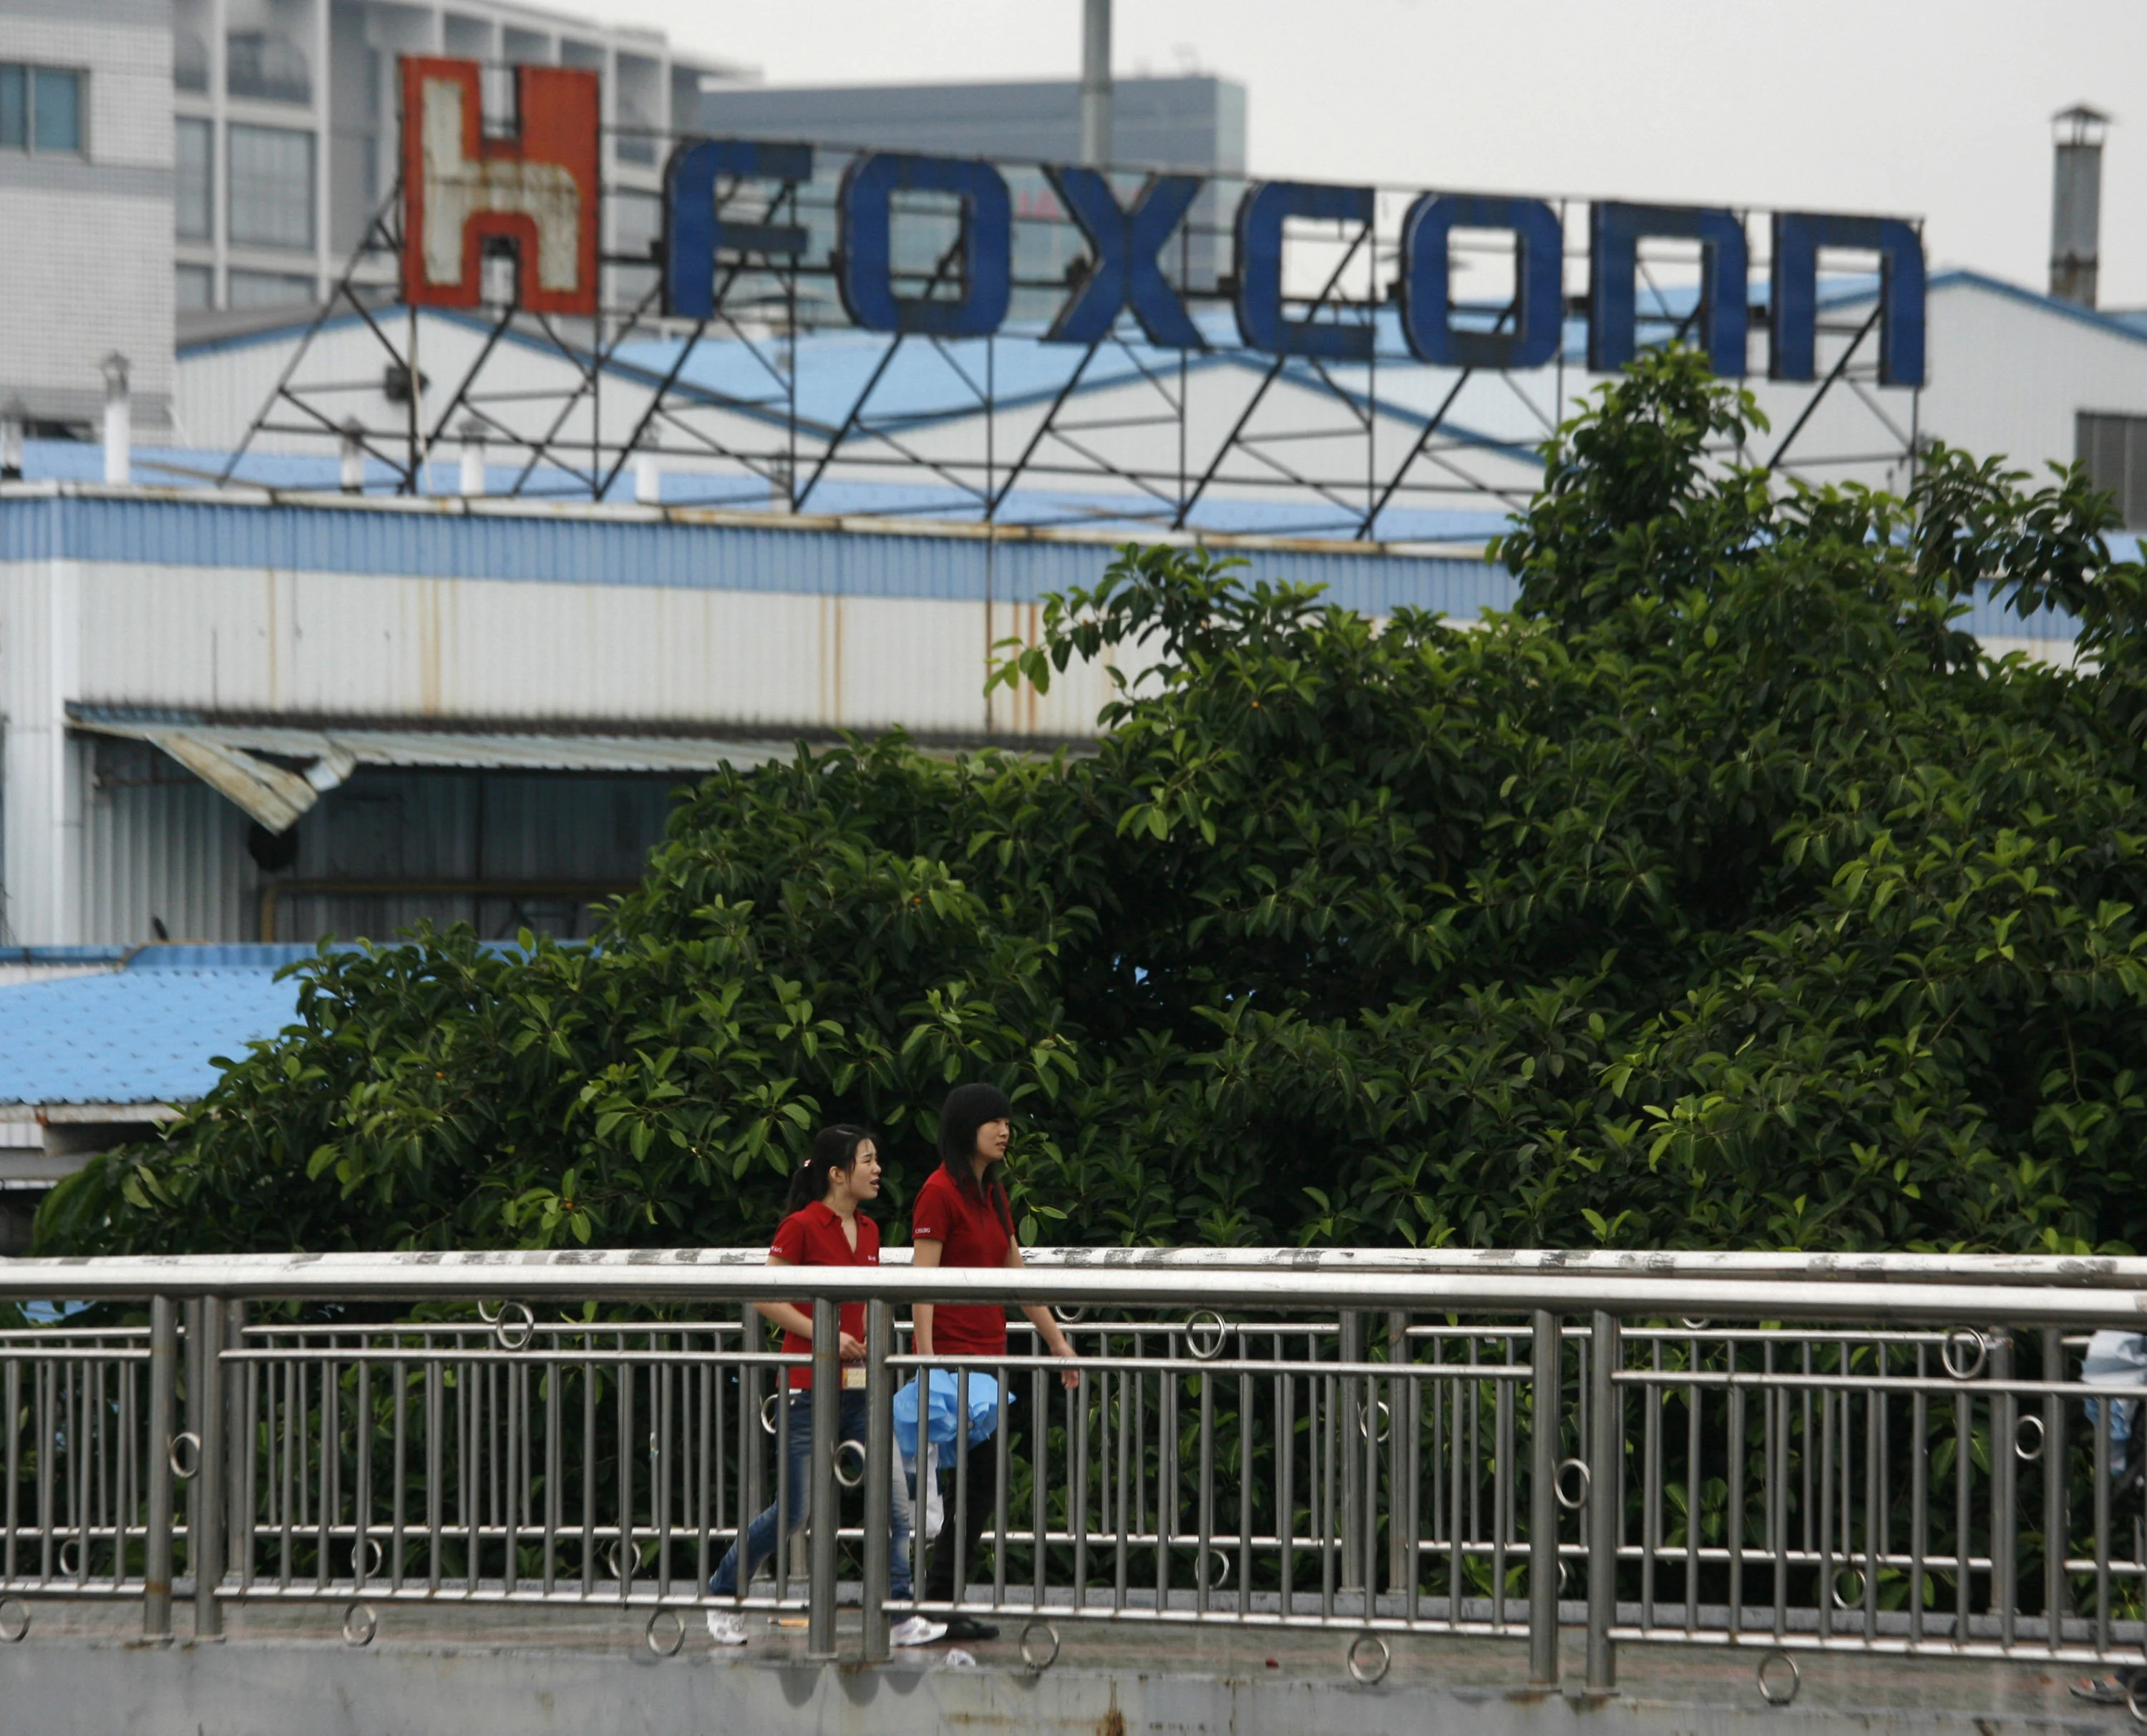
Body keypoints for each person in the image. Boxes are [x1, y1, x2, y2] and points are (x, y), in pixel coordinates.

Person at [706, 1123, 946, 1649]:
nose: (877, 1169)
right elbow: (765, 1294)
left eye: (876, 1159)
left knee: (897, 1502)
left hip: (861, 1387)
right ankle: (724, 1593)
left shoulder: (872, 1231)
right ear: (838, 1174)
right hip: (807, 1386)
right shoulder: (802, 1226)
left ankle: (899, 1613)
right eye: (867, 1161)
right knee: (795, 1510)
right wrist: (825, 1333)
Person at [909, 1082, 1081, 1642]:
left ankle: (939, 1604)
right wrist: (927, 1356)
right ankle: (934, 1605)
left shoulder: (994, 1193)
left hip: (989, 1364)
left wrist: (1058, 1342)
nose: (1005, 1131)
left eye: (1007, 1122)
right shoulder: (938, 1192)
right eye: (994, 1122)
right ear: (967, 1129)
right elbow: (923, 1281)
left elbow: (1016, 1276)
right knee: (973, 1486)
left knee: (979, 1489)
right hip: (955, 1362)